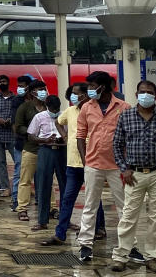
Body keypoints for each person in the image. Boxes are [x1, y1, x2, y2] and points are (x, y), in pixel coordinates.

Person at [109, 80, 156, 274]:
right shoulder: (126, 116)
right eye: (142, 92)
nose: (146, 95)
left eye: (150, 92)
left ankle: (153, 257)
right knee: (128, 217)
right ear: (136, 94)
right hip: (133, 175)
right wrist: (123, 168)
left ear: (155, 94)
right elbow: (117, 144)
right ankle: (121, 257)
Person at [41, 82, 107, 247]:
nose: (73, 96)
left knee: (93, 199)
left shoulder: (95, 110)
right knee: (67, 199)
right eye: (72, 93)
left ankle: (99, 228)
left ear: (84, 95)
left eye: (76, 93)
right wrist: (64, 136)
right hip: (72, 163)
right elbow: (58, 122)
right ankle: (60, 233)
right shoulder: (70, 111)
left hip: (91, 162)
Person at [75, 71, 130, 263]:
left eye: (92, 86)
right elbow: (80, 135)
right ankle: (85, 245)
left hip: (118, 166)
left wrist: (127, 163)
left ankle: (128, 246)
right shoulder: (86, 108)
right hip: (93, 164)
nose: (89, 90)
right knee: (90, 205)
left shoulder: (123, 107)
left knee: (124, 207)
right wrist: (85, 160)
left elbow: (129, 136)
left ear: (103, 87)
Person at [27, 95, 67, 231]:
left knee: (66, 186)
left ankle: (65, 220)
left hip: (62, 150)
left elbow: (70, 133)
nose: (55, 111)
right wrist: (44, 140)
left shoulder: (64, 115)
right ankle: (42, 221)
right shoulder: (39, 117)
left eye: (57, 109)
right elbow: (31, 135)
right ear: (47, 106)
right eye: (52, 109)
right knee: (44, 185)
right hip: (46, 150)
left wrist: (63, 139)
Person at [14, 79, 49, 222]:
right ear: (33, 92)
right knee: (25, 180)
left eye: (44, 89)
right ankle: (22, 208)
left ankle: (51, 207)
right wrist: (31, 133)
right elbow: (18, 126)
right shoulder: (25, 107)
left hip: (47, 149)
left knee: (48, 180)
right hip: (30, 148)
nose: (43, 92)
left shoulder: (49, 107)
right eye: (40, 89)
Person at [0, 74, 20, 197]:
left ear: (8, 82)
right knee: (0, 162)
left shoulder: (15, 99)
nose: (2, 83)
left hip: (12, 134)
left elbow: (19, 115)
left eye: (4, 81)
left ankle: (21, 186)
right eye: (0, 82)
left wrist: (10, 120)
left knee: (18, 161)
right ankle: (5, 187)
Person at [8, 74, 33, 210]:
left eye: (22, 86)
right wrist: (18, 135)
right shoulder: (17, 101)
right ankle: (16, 200)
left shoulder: (38, 103)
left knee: (38, 173)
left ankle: (41, 200)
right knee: (19, 171)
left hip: (36, 144)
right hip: (21, 142)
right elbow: (14, 122)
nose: (19, 89)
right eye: (18, 86)